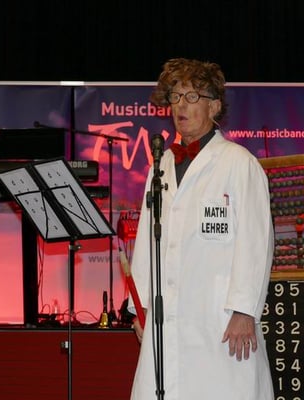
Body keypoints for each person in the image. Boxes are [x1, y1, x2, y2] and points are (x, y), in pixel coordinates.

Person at [128, 58, 274, 399]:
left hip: (219, 317)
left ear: (214, 106)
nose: (181, 105)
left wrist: (244, 310)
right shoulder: (161, 164)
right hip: (168, 316)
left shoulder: (239, 163)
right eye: (175, 97)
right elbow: (147, 239)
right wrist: (141, 306)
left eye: (192, 96)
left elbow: (256, 242)